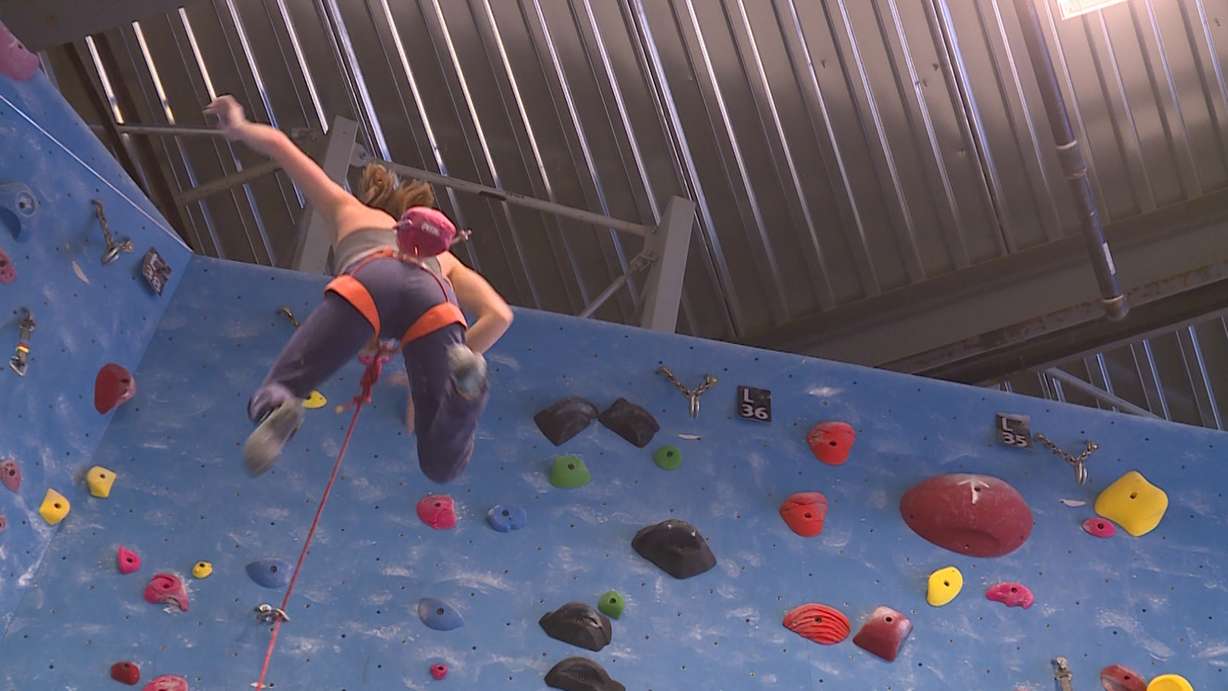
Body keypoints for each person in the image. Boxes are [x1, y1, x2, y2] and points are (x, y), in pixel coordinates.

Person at [203, 95, 513, 483]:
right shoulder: (446, 262)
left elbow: (282, 147)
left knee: (286, 383)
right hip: (434, 303)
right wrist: (445, 362)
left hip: (369, 283)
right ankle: (467, 390)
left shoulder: (348, 208)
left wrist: (239, 126)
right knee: (439, 463)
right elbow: (500, 315)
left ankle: (277, 408)